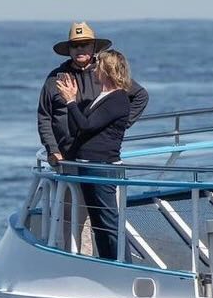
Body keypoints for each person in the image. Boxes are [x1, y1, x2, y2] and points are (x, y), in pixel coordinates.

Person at [55, 50, 133, 260]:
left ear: (108, 69)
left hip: (103, 167)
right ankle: (107, 263)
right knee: (98, 223)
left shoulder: (118, 99)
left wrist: (71, 102)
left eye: (99, 65)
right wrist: (71, 102)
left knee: (109, 222)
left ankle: (125, 265)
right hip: (88, 165)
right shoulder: (102, 97)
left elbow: (87, 125)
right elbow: (78, 126)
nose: (95, 69)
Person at [37, 22, 149, 167]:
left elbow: (140, 96)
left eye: (85, 44)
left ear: (94, 47)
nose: (80, 49)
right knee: (68, 190)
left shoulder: (107, 75)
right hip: (65, 157)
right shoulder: (55, 79)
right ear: (69, 49)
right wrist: (52, 150)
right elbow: (44, 117)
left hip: (96, 157)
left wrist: (118, 126)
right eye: (75, 45)